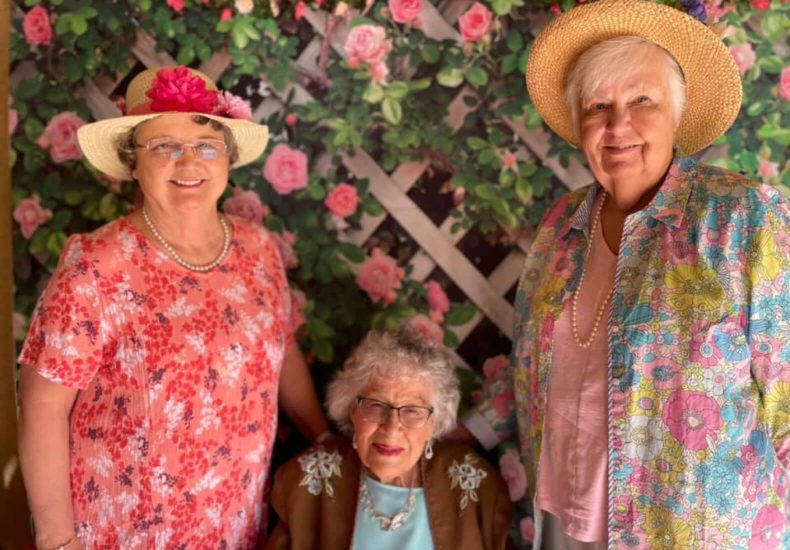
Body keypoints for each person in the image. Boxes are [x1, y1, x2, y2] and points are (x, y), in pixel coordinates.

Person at [455, 1, 790, 548]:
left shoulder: (741, 218)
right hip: (565, 522)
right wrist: (463, 432)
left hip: (690, 532)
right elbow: (536, 364)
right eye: (598, 105)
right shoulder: (561, 225)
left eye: (642, 100)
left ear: (677, 112)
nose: (618, 126)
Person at [17, 66, 331, 549]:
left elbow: (282, 352)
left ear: (226, 159)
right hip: (125, 530)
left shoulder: (259, 250)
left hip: (233, 521)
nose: (189, 162)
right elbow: (43, 405)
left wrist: (323, 439)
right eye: (164, 146)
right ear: (132, 161)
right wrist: (58, 541)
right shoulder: (97, 266)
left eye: (206, 145)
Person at [265, 329, 513, 549]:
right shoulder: (307, 481)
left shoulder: (475, 485)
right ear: (352, 410)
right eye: (376, 405)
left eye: (413, 411)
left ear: (434, 424)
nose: (392, 427)